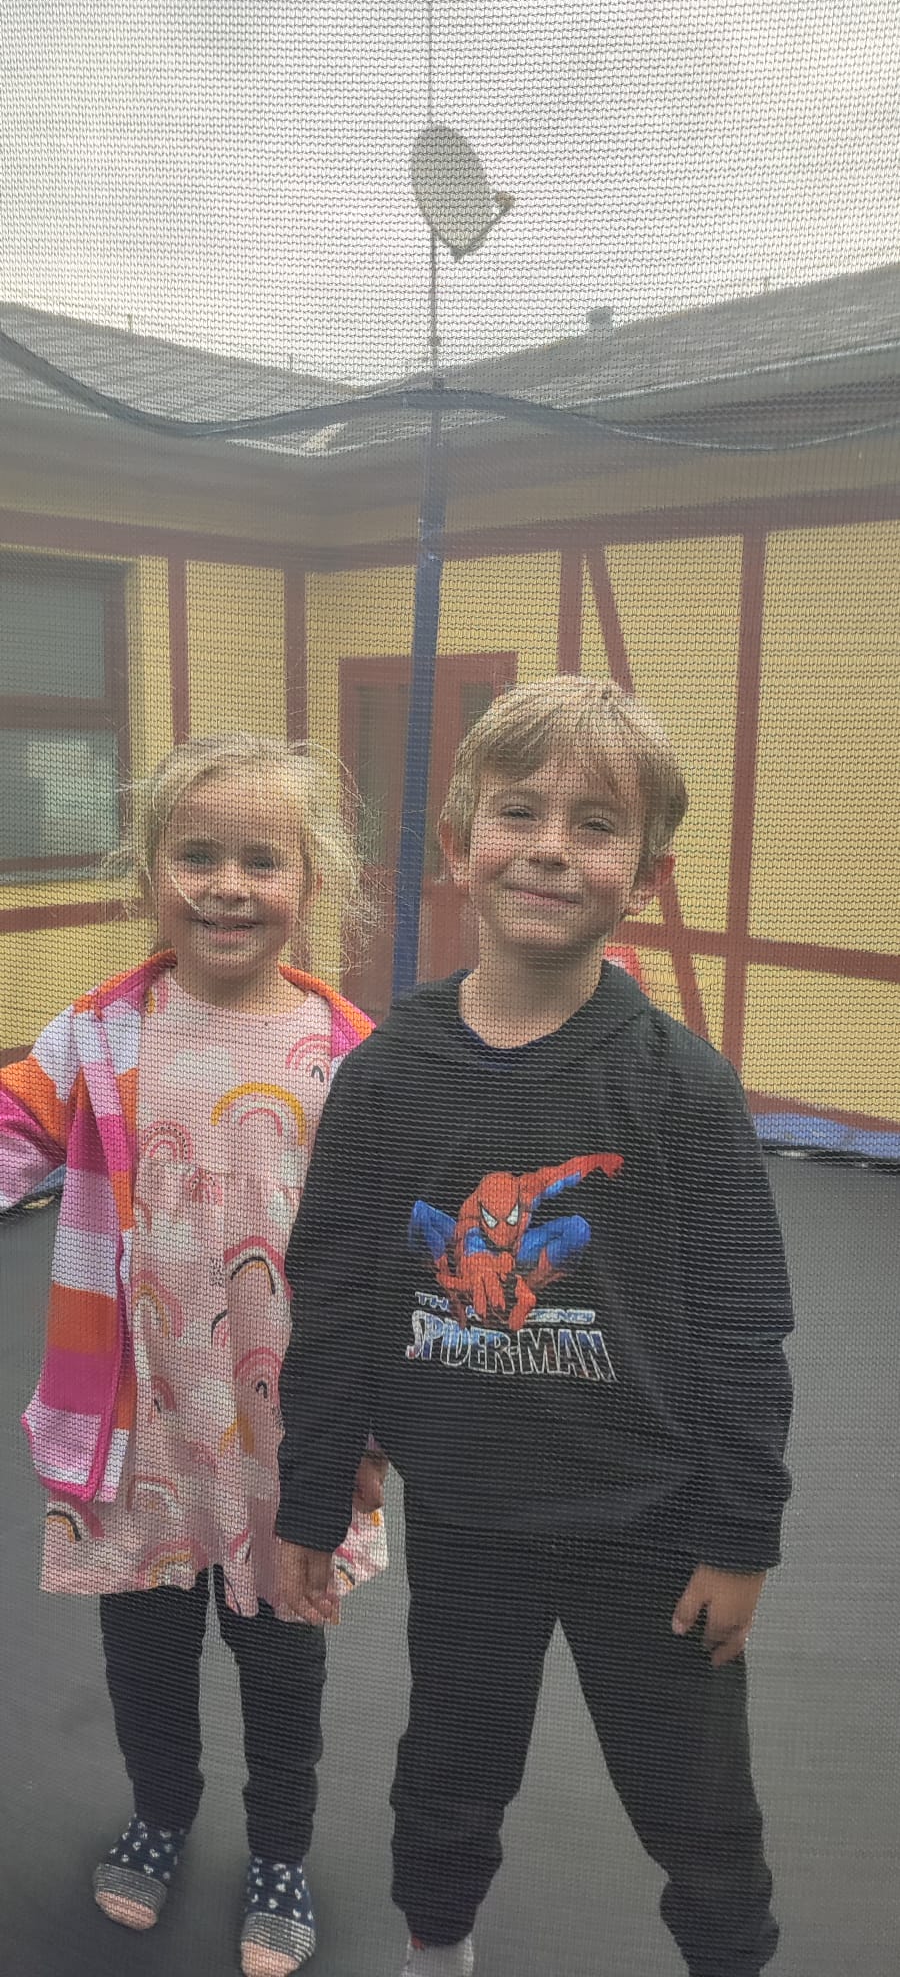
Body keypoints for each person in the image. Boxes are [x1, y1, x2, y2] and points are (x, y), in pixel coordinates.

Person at [274, 676, 794, 1977]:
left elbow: (742, 1323)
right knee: (448, 1769)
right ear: (460, 845)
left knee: (699, 1807)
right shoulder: (383, 1079)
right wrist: (310, 1497)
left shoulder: (680, 1086)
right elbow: (335, 1299)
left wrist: (742, 1536)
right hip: (468, 1521)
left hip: (651, 1525)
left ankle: (730, 1956)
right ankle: (436, 1945)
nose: (552, 845)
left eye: (596, 824)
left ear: (647, 877)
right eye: (519, 812)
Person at [0, 733, 388, 1977]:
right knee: (146, 1654)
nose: (228, 883)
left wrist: (375, 1426)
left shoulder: (351, 1053)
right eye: (197, 854)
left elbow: (390, 1251)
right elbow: (12, 1129)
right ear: (149, 874)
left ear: (311, 882)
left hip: (285, 1436)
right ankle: (161, 1812)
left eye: (262, 859)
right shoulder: (101, 1032)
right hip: (140, 1427)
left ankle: (281, 1849)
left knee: (282, 1655)